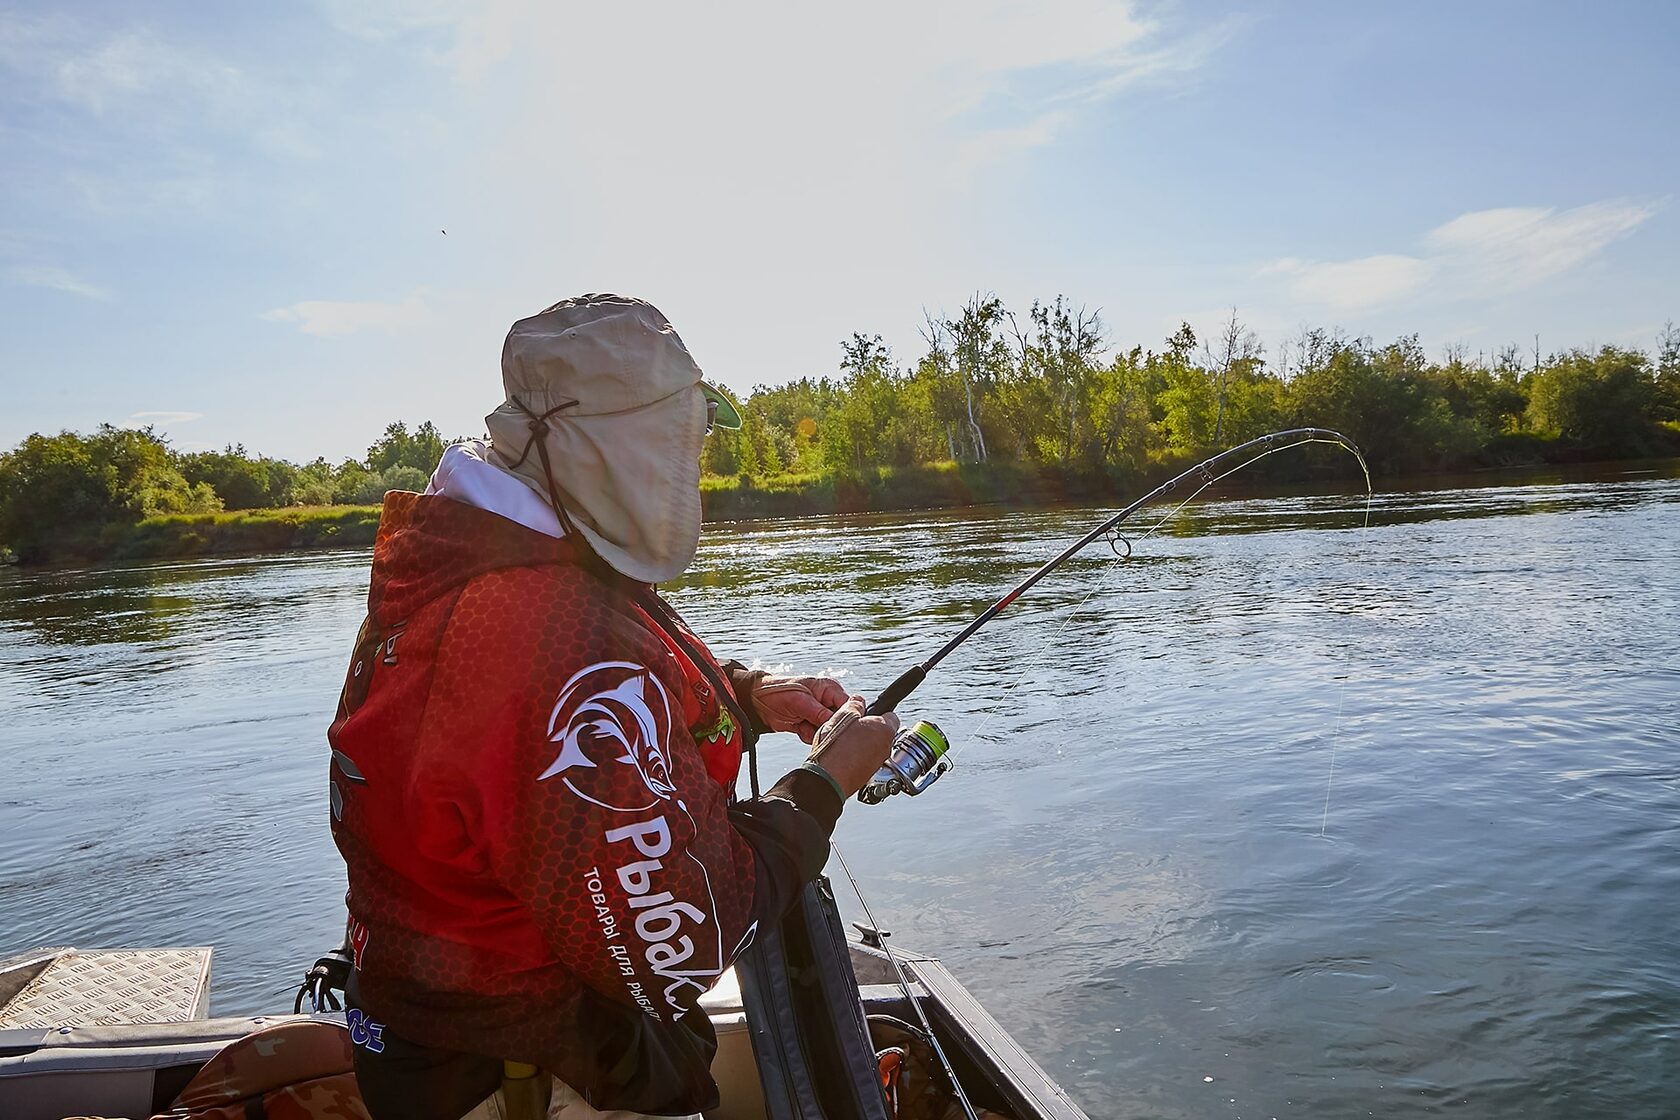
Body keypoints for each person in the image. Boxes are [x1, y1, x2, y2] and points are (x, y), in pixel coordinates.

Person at [326, 294, 900, 1120]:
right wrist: (828, 783)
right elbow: (682, 944)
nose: (696, 467)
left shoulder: (472, 558)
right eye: (686, 444)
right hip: (530, 1079)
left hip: (433, 1042)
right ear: (628, 450)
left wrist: (743, 693)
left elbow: (527, 734)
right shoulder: (551, 636)